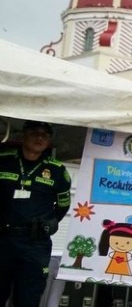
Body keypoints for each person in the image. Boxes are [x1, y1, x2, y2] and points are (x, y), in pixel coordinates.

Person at [0, 120, 71, 307]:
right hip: (2, 239)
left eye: (44, 135)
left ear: (49, 141)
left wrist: (46, 223)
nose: (39, 137)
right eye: (34, 132)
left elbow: (63, 205)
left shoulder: (57, 170)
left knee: (28, 298)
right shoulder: (3, 160)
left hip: (35, 244)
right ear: (23, 134)